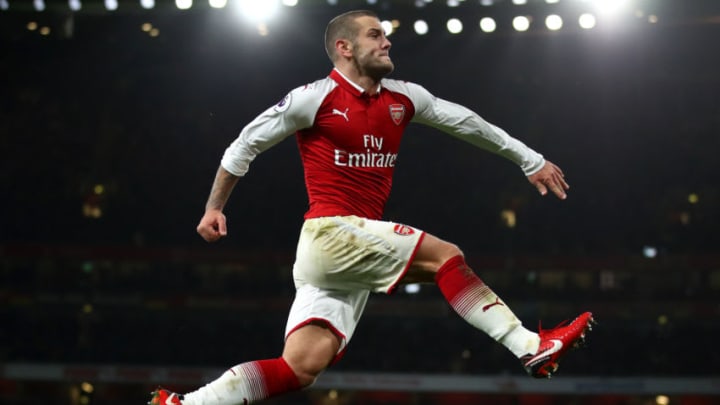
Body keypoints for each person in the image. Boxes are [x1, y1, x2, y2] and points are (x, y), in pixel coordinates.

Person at [150, 9, 594, 405]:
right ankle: (528, 345)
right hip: (330, 232)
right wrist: (214, 208)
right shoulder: (314, 98)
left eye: (386, 36)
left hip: (340, 254)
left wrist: (529, 159)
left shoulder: (404, 98)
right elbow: (243, 145)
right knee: (447, 256)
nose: (387, 42)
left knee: (299, 369)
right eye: (375, 35)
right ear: (344, 48)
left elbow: (468, 123)